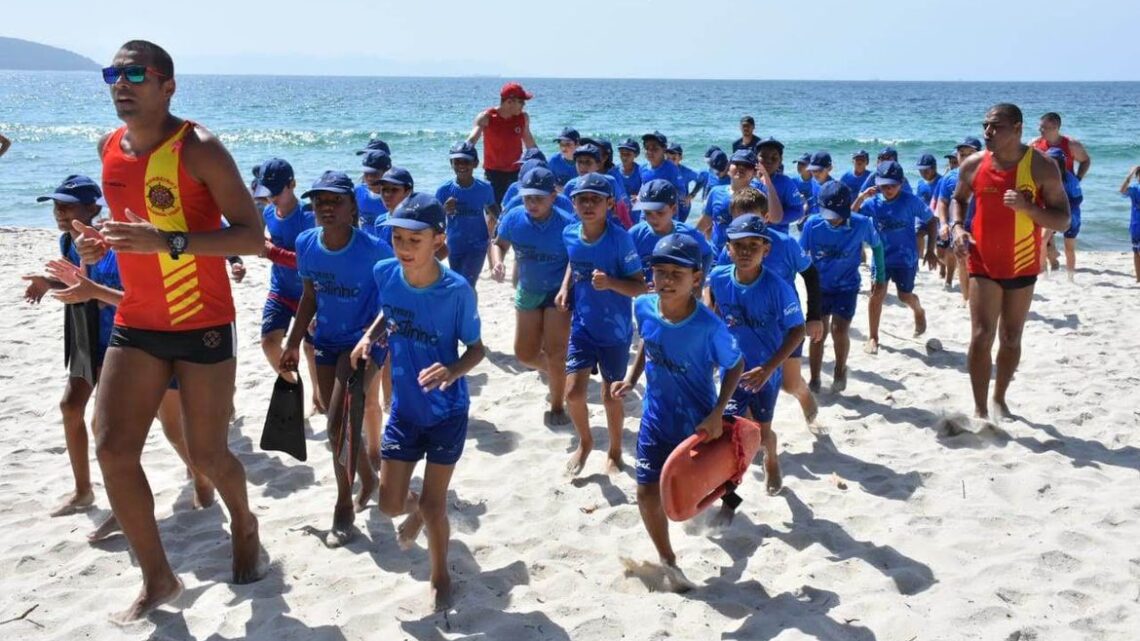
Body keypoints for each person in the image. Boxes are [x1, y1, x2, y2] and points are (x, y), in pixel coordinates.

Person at [75, 40, 264, 621]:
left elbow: (252, 237)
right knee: (111, 448)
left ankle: (245, 520)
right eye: (113, 73)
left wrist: (169, 243)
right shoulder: (110, 147)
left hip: (202, 322)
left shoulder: (198, 148)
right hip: (137, 321)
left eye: (135, 73)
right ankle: (158, 577)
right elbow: (128, 228)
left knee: (208, 453)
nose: (121, 83)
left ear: (168, 86)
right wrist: (96, 242)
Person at [23, 175, 214, 528]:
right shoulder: (69, 242)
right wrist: (48, 282)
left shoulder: (120, 246)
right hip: (96, 343)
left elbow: (138, 302)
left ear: (94, 209)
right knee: (77, 411)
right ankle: (90, 493)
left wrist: (91, 291)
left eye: (68, 206)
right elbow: (79, 285)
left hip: (143, 343)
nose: (59, 213)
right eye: (56, 206)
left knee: (172, 429)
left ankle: (201, 477)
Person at [353, 193, 486, 611]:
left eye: (415, 240)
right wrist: (369, 336)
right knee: (390, 504)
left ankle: (440, 573)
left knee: (434, 503)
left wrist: (452, 370)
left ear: (438, 241)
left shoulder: (456, 291)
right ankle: (422, 511)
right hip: (405, 411)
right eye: (397, 239)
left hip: (446, 411)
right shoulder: (384, 272)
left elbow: (477, 350)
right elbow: (389, 313)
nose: (404, 249)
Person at [611, 233, 743, 592]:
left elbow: (736, 365)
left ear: (696, 279)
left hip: (697, 426)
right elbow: (648, 345)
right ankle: (668, 559)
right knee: (646, 492)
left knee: (708, 489)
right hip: (655, 420)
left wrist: (718, 413)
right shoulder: (643, 306)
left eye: (676, 273)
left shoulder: (710, 327)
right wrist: (630, 377)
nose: (666, 280)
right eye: (660, 272)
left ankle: (730, 498)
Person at [282, 171, 391, 546]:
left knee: (337, 426)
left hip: (367, 344)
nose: (325, 208)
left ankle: (343, 509)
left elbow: (393, 301)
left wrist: (367, 338)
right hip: (326, 341)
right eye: (319, 202)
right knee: (338, 422)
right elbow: (310, 296)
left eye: (335, 201)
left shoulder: (375, 250)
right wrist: (293, 342)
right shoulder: (306, 243)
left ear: (352, 206)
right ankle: (369, 478)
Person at [950, 103, 1070, 421]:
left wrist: (1029, 209)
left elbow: (1063, 220)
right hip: (982, 262)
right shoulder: (974, 164)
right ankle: (979, 409)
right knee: (981, 334)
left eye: (996, 126)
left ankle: (999, 398)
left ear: (1017, 129)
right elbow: (958, 200)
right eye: (985, 125)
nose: (987, 132)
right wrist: (957, 227)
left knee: (1011, 337)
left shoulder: (1043, 167)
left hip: (1022, 262)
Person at [706, 215, 806, 495]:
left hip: (765, 374)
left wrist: (769, 368)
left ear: (767, 249)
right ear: (728, 248)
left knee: (761, 435)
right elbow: (713, 316)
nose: (746, 251)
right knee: (733, 437)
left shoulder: (777, 287)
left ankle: (771, 458)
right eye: (739, 245)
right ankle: (730, 499)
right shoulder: (718, 278)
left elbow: (797, 330)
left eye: (754, 245)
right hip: (732, 372)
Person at [556, 173, 647, 476]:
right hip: (582, 325)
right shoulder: (570, 233)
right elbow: (575, 261)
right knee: (573, 394)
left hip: (616, 331)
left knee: (612, 396)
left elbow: (639, 286)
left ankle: (616, 450)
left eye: (596, 199)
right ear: (573, 204)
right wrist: (565, 287)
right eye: (583, 199)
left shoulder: (621, 240)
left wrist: (609, 283)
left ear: (610, 204)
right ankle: (585, 442)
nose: (589, 204)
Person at [711, 190, 821, 426]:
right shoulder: (729, 249)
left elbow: (810, 274)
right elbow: (719, 290)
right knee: (744, 391)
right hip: (746, 327)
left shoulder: (786, 243)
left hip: (783, 326)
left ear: (766, 216)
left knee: (789, 384)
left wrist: (814, 316)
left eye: (752, 218)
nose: (746, 225)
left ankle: (804, 395)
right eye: (738, 219)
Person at [489, 167, 574, 424]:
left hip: (558, 293)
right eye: (528, 197)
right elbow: (498, 244)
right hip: (528, 289)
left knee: (556, 351)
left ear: (552, 196)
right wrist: (497, 262)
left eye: (539, 197)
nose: (532, 203)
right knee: (524, 354)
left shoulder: (567, 222)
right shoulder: (514, 218)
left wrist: (564, 288)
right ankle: (559, 372)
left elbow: (575, 258)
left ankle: (557, 406)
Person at [800, 181, 886, 392]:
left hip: (847, 286)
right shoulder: (812, 224)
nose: (833, 219)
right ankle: (815, 378)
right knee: (817, 333)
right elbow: (799, 256)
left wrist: (880, 276)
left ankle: (839, 369)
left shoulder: (862, 223)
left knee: (839, 330)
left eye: (838, 214)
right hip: (819, 287)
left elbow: (877, 246)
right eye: (829, 214)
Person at [255, 158, 321, 413]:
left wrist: (272, 252)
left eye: (277, 192)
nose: (272, 198)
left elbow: (309, 262)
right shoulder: (269, 212)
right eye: (267, 192)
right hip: (280, 289)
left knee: (311, 347)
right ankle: (292, 386)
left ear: (292, 184)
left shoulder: (307, 217)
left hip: (309, 294)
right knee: (268, 342)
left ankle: (317, 395)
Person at [853, 160, 938, 353]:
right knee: (876, 294)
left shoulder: (910, 200)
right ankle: (873, 337)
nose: (889, 189)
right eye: (884, 185)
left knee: (904, 296)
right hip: (881, 257)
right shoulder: (872, 203)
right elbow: (849, 217)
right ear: (877, 183)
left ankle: (918, 310)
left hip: (906, 258)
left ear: (901, 182)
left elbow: (932, 220)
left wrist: (931, 249)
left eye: (893, 184)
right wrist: (861, 197)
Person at [436, 141, 499, 291]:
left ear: (475, 163)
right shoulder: (444, 190)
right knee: (458, 283)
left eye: (466, 161)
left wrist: (499, 233)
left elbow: (495, 211)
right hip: (454, 244)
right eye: (457, 161)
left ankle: (470, 314)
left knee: (468, 283)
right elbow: (434, 220)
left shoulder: (484, 188)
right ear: (451, 163)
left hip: (478, 245)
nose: (461, 165)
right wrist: (444, 210)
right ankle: (465, 312)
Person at [629, 179, 713, 288]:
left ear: (673, 209)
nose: (653, 219)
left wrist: (699, 285)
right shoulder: (635, 234)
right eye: (647, 213)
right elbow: (622, 261)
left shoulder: (688, 234)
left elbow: (707, 254)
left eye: (660, 213)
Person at [466, 82, 537, 202]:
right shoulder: (486, 117)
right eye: (521, 101)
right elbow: (471, 141)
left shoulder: (523, 118)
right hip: (493, 174)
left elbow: (530, 145)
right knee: (493, 213)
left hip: (516, 173)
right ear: (509, 102)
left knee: (516, 209)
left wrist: (542, 163)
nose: (524, 105)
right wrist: (462, 155)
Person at [935, 137, 984, 297]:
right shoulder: (949, 178)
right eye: (962, 154)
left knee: (983, 264)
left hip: (983, 226)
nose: (966, 158)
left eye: (971, 154)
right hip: (960, 226)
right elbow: (942, 202)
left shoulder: (988, 174)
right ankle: (966, 298)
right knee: (963, 262)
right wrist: (943, 224)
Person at [698, 149, 758, 256]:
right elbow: (705, 222)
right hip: (716, 256)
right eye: (737, 163)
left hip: (743, 258)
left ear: (754, 172)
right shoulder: (715, 192)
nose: (741, 167)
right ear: (728, 168)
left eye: (747, 165)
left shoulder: (757, 197)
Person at [1038, 148, 1083, 280]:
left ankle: (1070, 277)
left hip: (1071, 216)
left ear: (1060, 162)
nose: (1049, 163)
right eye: (1047, 160)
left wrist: (1063, 207)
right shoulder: (1045, 177)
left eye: (1052, 161)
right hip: (1053, 214)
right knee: (1042, 240)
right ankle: (1044, 274)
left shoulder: (1070, 179)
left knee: (1069, 248)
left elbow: (1078, 199)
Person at [754, 137, 805, 234]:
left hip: (778, 233)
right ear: (756, 157)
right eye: (763, 156)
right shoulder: (749, 181)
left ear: (780, 161)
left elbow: (798, 210)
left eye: (774, 158)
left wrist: (776, 219)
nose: (768, 161)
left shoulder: (786, 183)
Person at [1032, 112, 1091, 180]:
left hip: (1065, 187)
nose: (1039, 130)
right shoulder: (1035, 144)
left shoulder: (1071, 145)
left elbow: (1085, 161)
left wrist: (1077, 179)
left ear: (1055, 128)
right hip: (1042, 187)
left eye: (1044, 127)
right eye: (1040, 126)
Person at [355, 149, 393, 235]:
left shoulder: (397, 197)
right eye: (366, 173)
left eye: (374, 174)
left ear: (387, 172)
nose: (369, 178)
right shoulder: (357, 192)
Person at [914, 153, 942, 265]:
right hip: (922, 217)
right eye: (920, 171)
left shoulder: (941, 181)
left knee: (938, 242)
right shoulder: (920, 183)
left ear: (934, 168)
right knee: (917, 235)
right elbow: (918, 201)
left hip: (936, 218)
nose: (923, 174)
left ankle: (941, 266)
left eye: (926, 170)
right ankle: (919, 260)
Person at [665, 142, 700, 222]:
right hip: (667, 205)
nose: (670, 162)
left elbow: (703, 179)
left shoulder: (686, 172)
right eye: (668, 159)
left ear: (681, 158)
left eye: (674, 159)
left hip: (682, 206)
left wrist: (691, 195)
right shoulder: (662, 170)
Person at [1119, 165, 1140, 282]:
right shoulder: (1135, 188)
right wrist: (1129, 176)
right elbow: (1122, 191)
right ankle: (1138, 279)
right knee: (1136, 252)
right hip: (1136, 225)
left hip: (1136, 225)